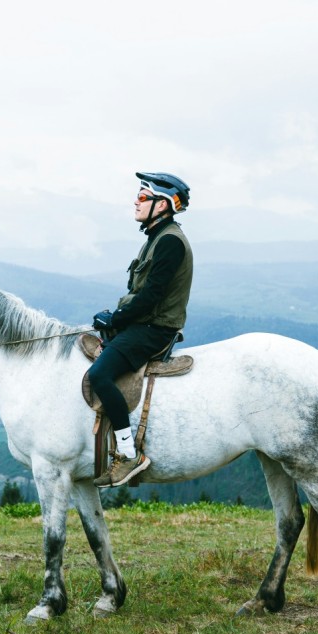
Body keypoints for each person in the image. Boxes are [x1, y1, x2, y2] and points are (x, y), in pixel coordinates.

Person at [89, 171, 193, 487]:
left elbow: (151, 297)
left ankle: (128, 453)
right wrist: (115, 317)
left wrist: (116, 320)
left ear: (163, 205)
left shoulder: (170, 242)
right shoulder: (156, 238)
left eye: (143, 197)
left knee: (99, 376)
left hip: (154, 328)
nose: (136, 201)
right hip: (144, 322)